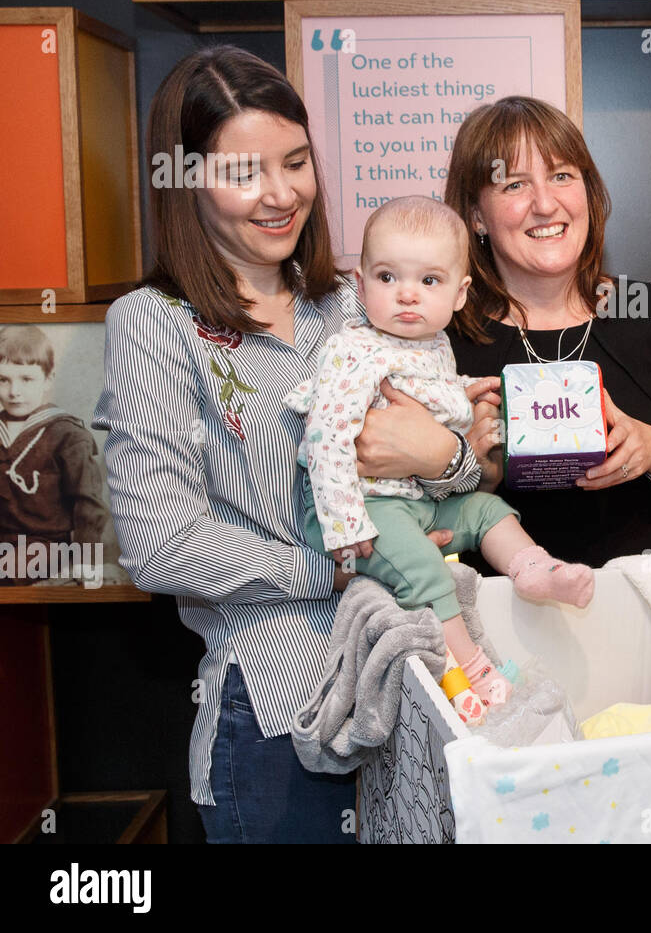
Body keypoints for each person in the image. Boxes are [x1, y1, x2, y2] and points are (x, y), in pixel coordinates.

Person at [93, 46, 481, 843]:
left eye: (297, 162)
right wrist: (340, 560)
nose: (280, 194)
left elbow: (455, 455)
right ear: (185, 179)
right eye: (243, 172)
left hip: (412, 686)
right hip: (277, 713)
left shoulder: (357, 299)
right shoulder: (154, 324)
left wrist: (442, 458)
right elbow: (162, 545)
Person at [288, 196, 594, 724]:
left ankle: (533, 568)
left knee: (486, 511)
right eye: (387, 277)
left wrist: (461, 393)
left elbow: (427, 397)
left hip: (420, 500)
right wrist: (345, 525)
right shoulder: (352, 350)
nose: (407, 294)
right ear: (360, 285)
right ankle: (472, 667)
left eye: (429, 281)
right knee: (428, 572)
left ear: (459, 293)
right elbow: (326, 437)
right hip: (364, 510)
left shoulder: (433, 346)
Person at [444, 96, 651, 567]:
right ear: (476, 216)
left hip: (640, 610)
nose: (545, 204)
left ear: (588, 193)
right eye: (514, 184)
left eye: (561, 175)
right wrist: (470, 469)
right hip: (493, 621)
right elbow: (418, 527)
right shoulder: (440, 341)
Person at [0, 325, 110, 582]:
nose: (14, 391)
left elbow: (88, 504)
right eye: (3, 380)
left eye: (26, 379)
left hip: (47, 545)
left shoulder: (67, 435)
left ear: (48, 379)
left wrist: (86, 559)